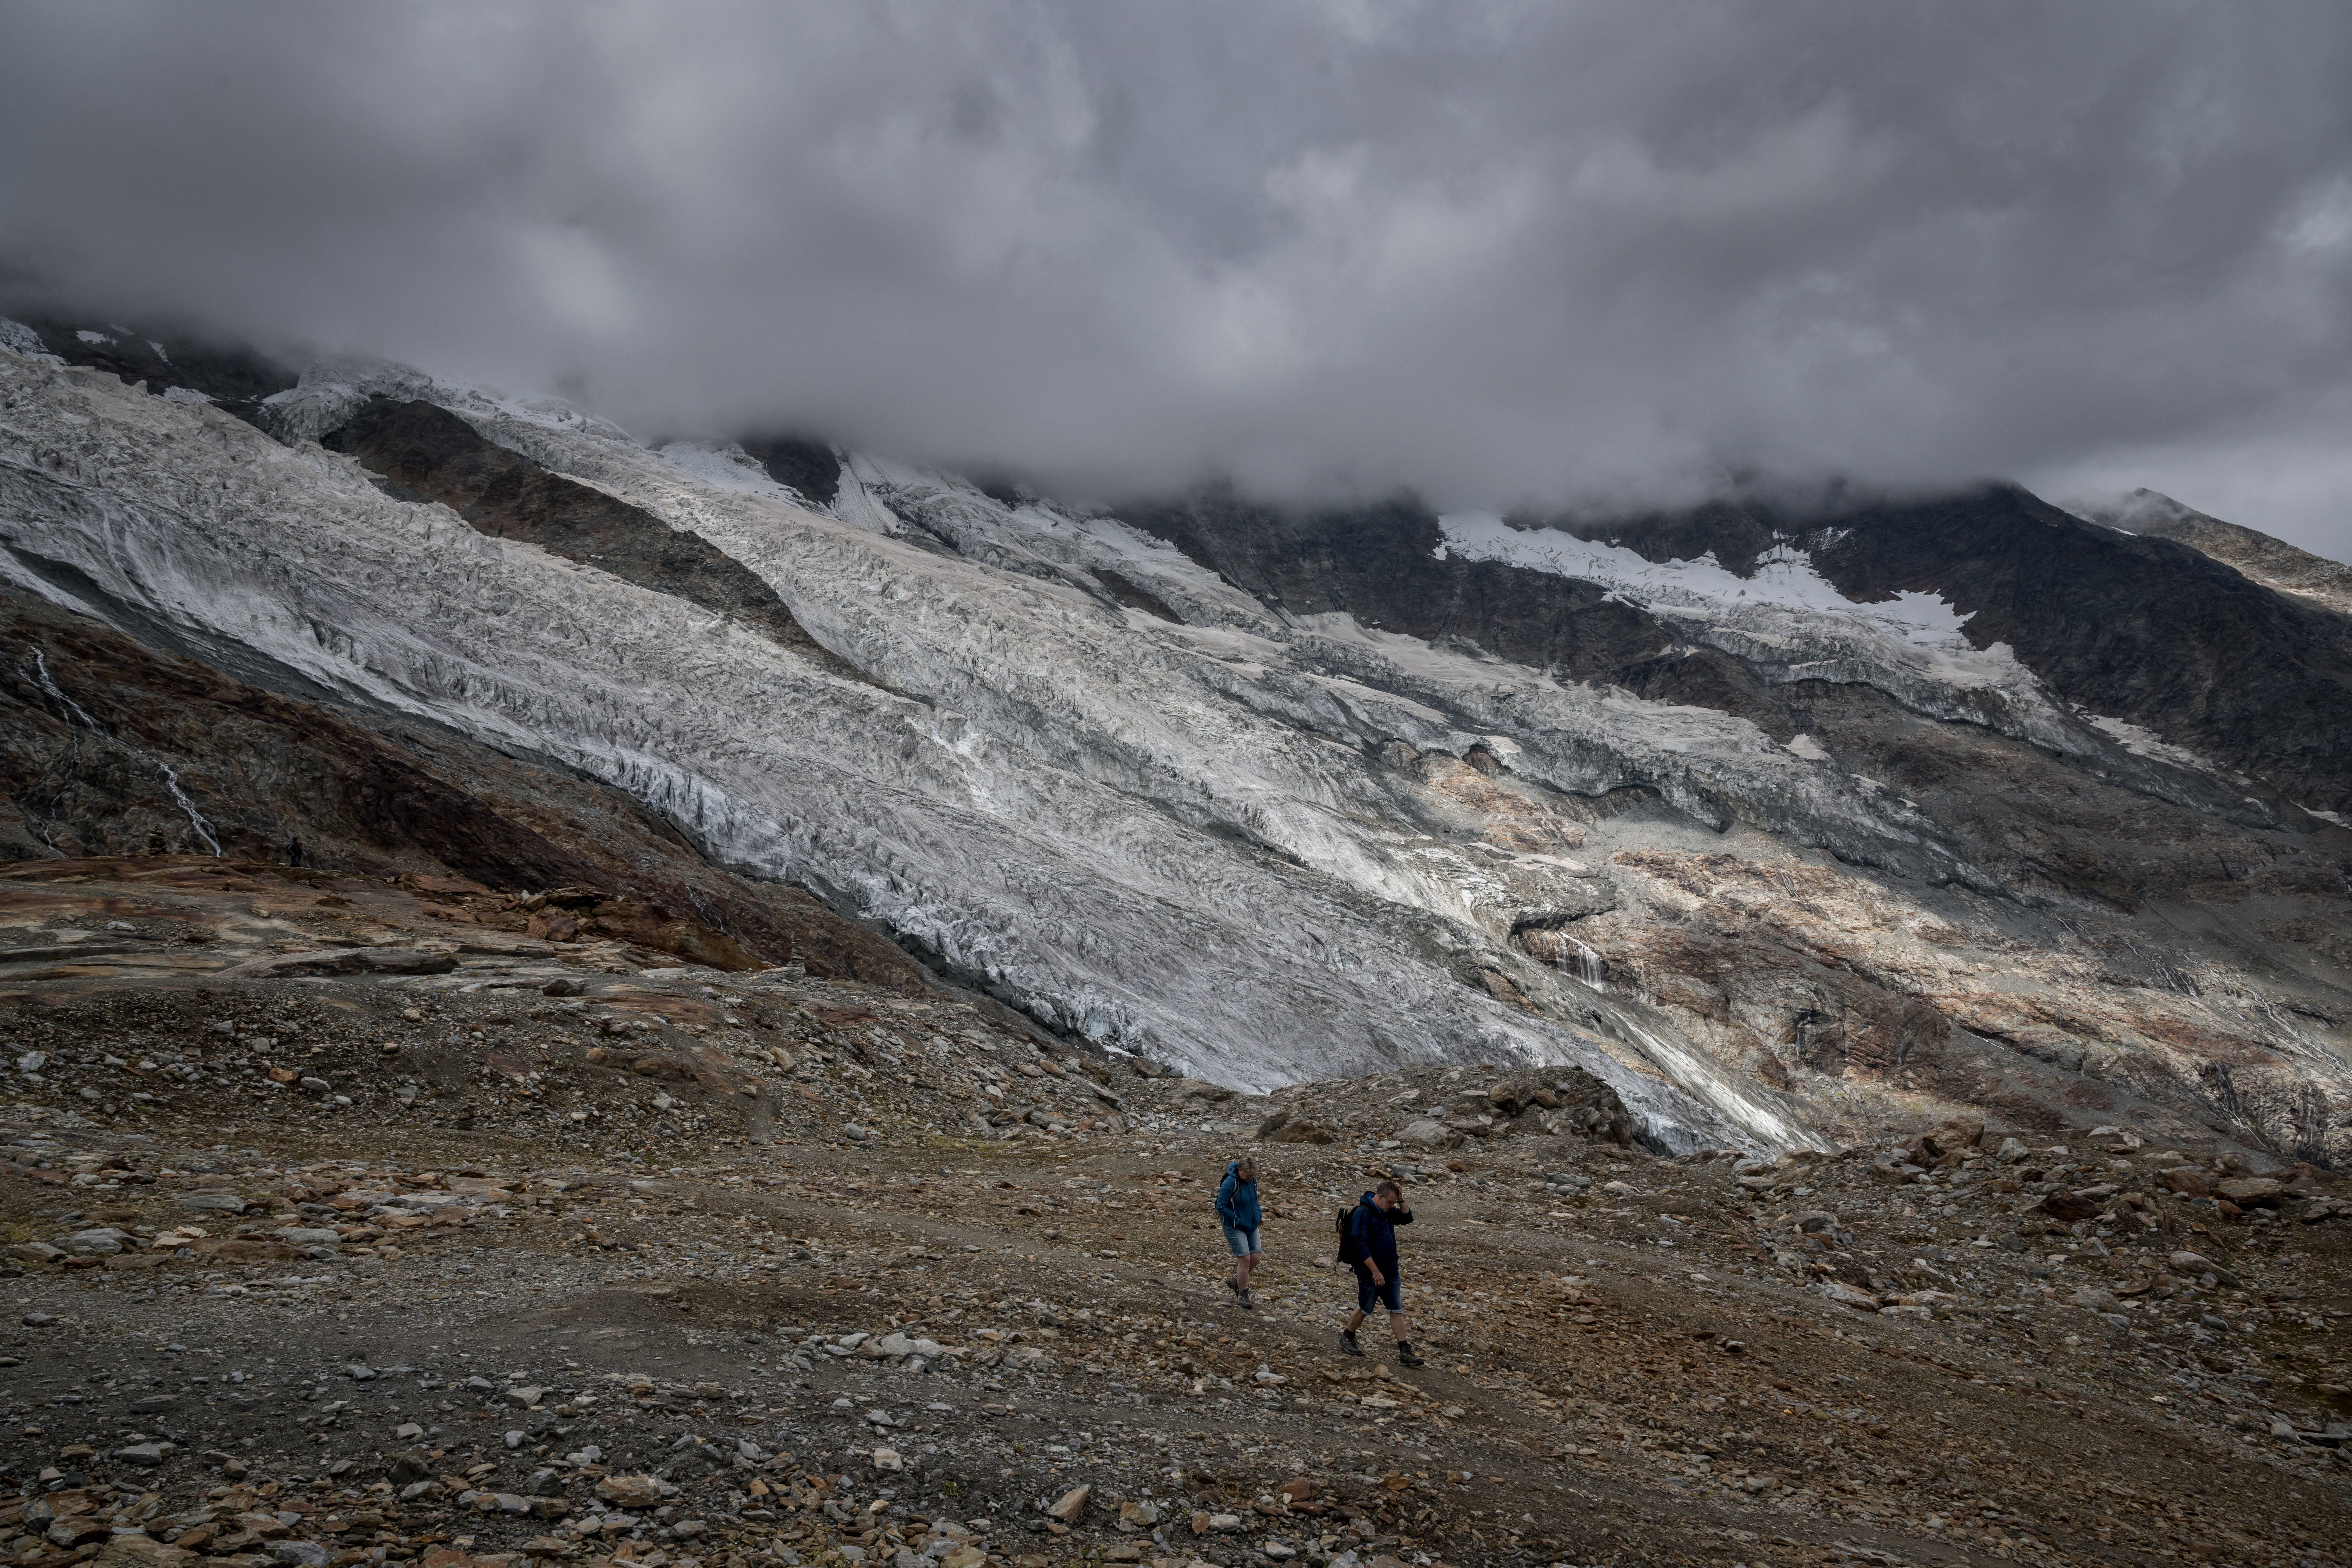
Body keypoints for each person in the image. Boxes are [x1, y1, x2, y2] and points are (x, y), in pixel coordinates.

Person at [1340, 1179, 1422, 1366]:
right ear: (1380, 1196)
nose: (1392, 1206)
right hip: (1370, 1272)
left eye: (1394, 1203)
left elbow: (1407, 1218)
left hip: (1391, 1272)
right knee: (1365, 1307)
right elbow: (1360, 1245)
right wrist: (1376, 1272)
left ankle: (1405, 1351)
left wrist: (1401, 1200)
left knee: (1396, 1309)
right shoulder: (1363, 1213)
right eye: (1390, 1202)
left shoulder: (1388, 1211)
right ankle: (1347, 1336)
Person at [1216, 1155, 1263, 1309]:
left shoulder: (1252, 1180)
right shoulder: (1231, 1182)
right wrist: (1237, 1219)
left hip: (1251, 1224)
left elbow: (1254, 1199)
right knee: (1245, 1261)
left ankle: (1237, 1280)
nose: (1251, 1178)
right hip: (1234, 1226)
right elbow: (1220, 1206)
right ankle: (1243, 1294)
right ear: (1240, 1170)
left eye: (1253, 1176)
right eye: (1248, 1176)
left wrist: (1258, 1214)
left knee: (1256, 1258)